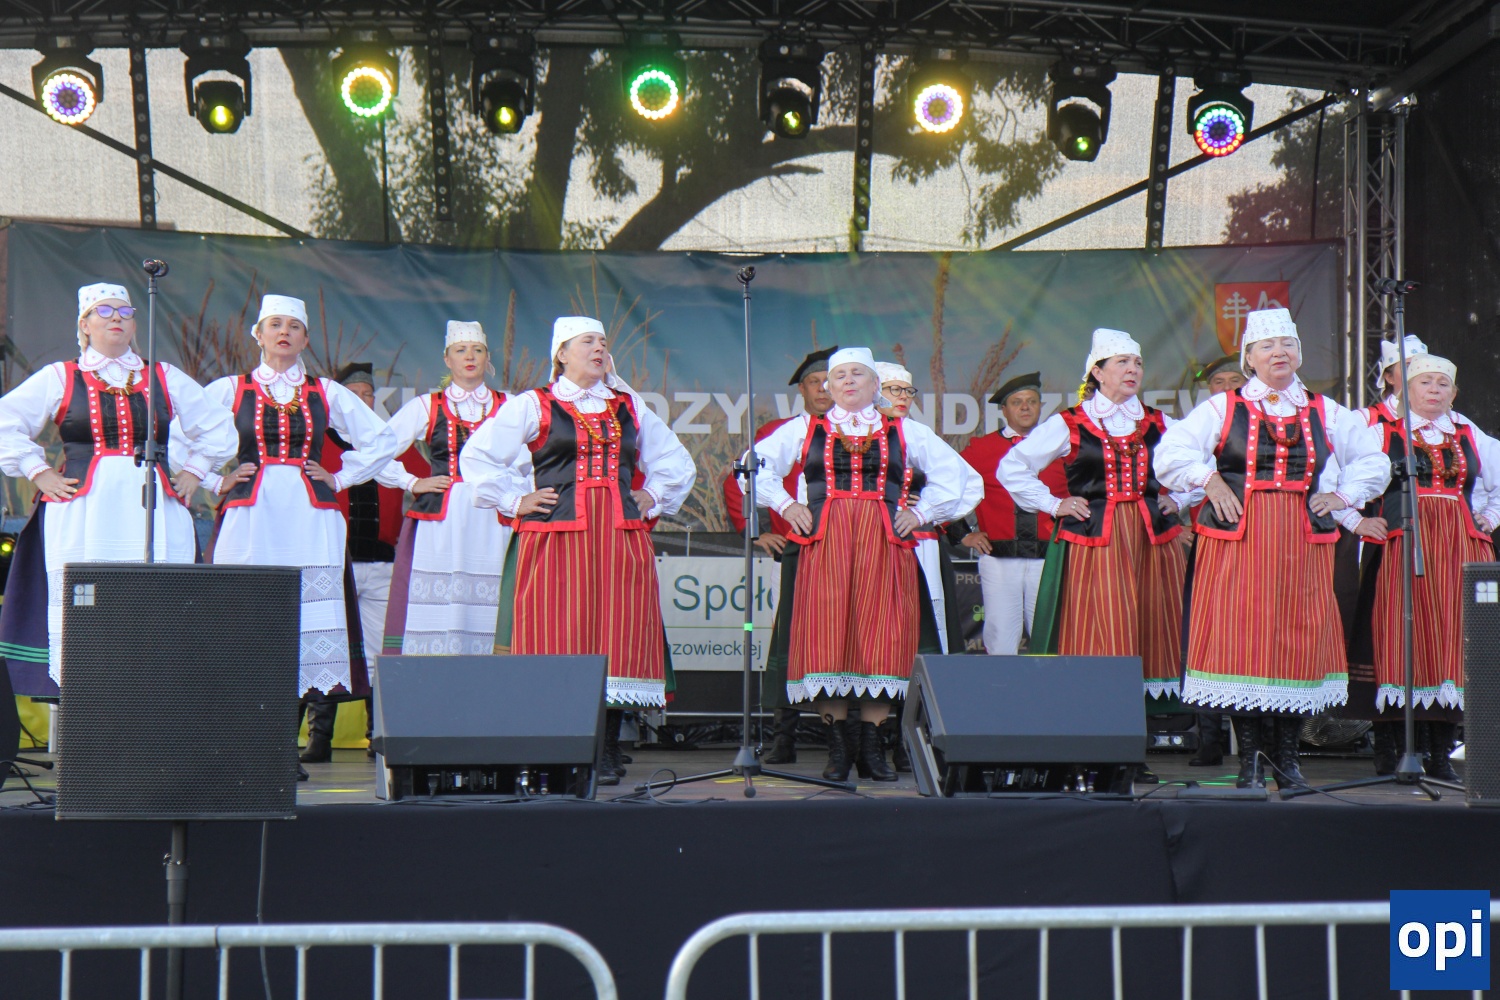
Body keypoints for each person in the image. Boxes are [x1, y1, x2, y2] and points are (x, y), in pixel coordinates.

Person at [1155, 307, 1389, 789]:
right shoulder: (1223, 407)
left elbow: (1373, 459)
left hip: (1300, 541)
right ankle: (1251, 763)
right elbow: (1171, 453)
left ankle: (1288, 760)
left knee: (1296, 645)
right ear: (1250, 358)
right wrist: (1209, 479)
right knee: (1242, 643)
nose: (1279, 352)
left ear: (1299, 354)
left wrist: (1342, 496)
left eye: (1287, 344)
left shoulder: (1326, 410)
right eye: (1267, 346)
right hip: (1238, 540)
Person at [462, 316, 696, 786]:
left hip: (619, 536)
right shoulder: (535, 404)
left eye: (603, 342)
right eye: (587, 341)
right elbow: (478, 456)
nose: (598, 348)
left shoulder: (628, 405)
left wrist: (653, 495)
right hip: (556, 536)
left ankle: (606, 747)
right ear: (562, 354)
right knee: (557, 632)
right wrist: (515, 500)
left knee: (616, 633)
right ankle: (558, 745)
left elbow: (675, 461)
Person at [0, 282, 237, 696]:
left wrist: (195, 471)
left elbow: (218, 426)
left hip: (154, 507)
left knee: (157, 605)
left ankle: (152, 705)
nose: (117, 319)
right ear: (84, 324)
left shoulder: (162, 375)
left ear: (134, 325)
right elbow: (6, 421)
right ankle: (87, 708)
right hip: (84, 510)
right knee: (87, 604)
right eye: (105, 311)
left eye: (125, 313)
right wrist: (38, 472)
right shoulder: (61, 376)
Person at [754, 347, 978, 782]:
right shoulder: (805, 428)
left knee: (883, 637)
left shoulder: (903, 430)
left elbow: (960, 477)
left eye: (858, 374)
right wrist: (786, 504)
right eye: (839, 376)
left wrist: (921, 512)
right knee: (828, 638)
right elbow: (752, 467)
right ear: (828, 386)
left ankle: (873, 746)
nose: (848, 381)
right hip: (826, 544)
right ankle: (839, 747)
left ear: (875, 384)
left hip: (884, 542)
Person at [998, 330, 1195, 757]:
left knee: (1149, 628)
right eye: (1122, 362)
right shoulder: (1070, 422)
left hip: (1150, 541)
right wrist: (1055, 504)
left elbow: (1203, 464)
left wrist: (1178, 499)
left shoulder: (1160, 422)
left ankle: (1136, 745)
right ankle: (1103, 741)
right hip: (1095, 542)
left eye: (1137, 363)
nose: (1132, 370)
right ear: (1098, 372)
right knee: (1101, 630)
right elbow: (1012, 468)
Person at [202, 294, 398, 722]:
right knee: (246, 610)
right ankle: (244, 729)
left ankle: (292, 739)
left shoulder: (325, 391)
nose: (284, 333)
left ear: (305, 339)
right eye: (275, 325)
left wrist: (341, 478)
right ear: (258, 334)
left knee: (310, 616)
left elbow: (383, 439)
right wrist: (215, 479)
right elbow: (181, 435)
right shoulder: (231, 389)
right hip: (252, 511)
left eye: (294, 327)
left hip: (310, 514)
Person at [1346, 354, 1498, 780]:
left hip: (1457, 547)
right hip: (1404, 543)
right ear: (1404, 391)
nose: (1434, 390)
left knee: (1453, 640)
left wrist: (1490, 516)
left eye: (1442, 384)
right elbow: (1339, 479)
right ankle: (1397, 750)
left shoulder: (1468, 433)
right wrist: (1356, 520)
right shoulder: (1380, 432)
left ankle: (1441, 754)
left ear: (1454, 393)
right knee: (1403, 637)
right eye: (1425, 382)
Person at [300, 362, 430, 764]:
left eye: (368, 394)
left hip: (381, 564)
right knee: (325, 648)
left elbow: (427, 482)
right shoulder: (317, 442)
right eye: (352, 394)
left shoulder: (392, 443)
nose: (361, 400)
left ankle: (379, 736)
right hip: (333, 563)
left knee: (380, 654)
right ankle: (319, 738)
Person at [721, 346, 836, 765]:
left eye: (828, 381)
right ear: (801, 391)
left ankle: (844, 740)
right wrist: (756, 531)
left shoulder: (862, 433)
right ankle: (782, 735)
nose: (822, 389)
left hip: (845, 552)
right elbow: (739, 479)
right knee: (786, 638)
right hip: (795, 552)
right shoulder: (782, 432)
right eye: (813, 382)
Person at [377, 322, 509, 658]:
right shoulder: (427, 405)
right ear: (447, 360)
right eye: (461, 351)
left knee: (491, 598)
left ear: (487, 359)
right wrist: (412, 482)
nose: (470, 357)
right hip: (443, 520)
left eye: (477, 350)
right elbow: (375, 451)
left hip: (493, 516)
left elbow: (532, 459)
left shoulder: (510, 405)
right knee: (442, 599)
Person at [875, 361, 983, 655]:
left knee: (920, 612)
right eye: (894, 389)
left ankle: (921, 676)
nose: (904, 396)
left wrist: (924, 510)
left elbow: (968, 481)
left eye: (908, 391)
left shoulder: (914, 433)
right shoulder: (849, 431)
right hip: (866, 537)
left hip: (916, 540)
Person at [953, 371, 1062, 655]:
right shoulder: (981, 449)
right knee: (1001, 638)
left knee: (1051, 638)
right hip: (1000, 561)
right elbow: (946, 486)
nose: (1025, 407)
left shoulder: (1061, 448)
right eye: (1017, 402)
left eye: (1032, 401)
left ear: (1041, 406)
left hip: (1048, 559)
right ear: (1004, 410)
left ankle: (1051, 686)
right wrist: (962, 534)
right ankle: (1002, 685)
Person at [1182, 355, 1246, 767]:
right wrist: (1177, 525)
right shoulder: (1199, 427)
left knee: (1242, 638)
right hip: (1203, 542)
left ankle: (1250, 738)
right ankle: (1208, 738)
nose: (1225, 388)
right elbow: (1172, 482)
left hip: (1246, 544)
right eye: (1217, 382)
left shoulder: (1254, 425)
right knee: (1204, 633)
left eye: (1233, 380)